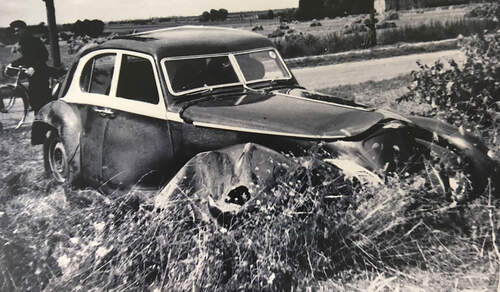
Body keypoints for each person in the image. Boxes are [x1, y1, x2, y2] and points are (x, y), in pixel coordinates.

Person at [8, 20, 52, 114]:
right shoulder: (23, 42)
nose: (16, 33)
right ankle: (40, 119)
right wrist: (12, 64)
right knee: (35, 99)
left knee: (41, 99)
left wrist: (34, 67)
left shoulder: (35, 41)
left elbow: (44, 56)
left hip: (40, 72)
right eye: (15, 31)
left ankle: (43, 122)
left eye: (18, 30)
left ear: (25, 29)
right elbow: (27, 58)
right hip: (32, 74)